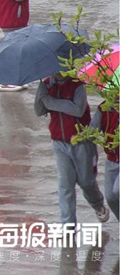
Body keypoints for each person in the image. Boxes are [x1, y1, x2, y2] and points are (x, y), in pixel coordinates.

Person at [34, 73, 111, 225]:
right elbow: (39, 111)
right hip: (59, 143)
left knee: (86, 182)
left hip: (82, 142)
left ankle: (98, 205)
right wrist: (41, 93)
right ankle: (68, 225)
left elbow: (78, 110)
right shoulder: (47, 84)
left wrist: (50, 101)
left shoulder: (77, 85)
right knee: (65, 185)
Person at [92, 100, 119, 221]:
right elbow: (92, 130)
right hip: (112, 159)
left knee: (118, 190)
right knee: (110, 197)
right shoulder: (103, 108)